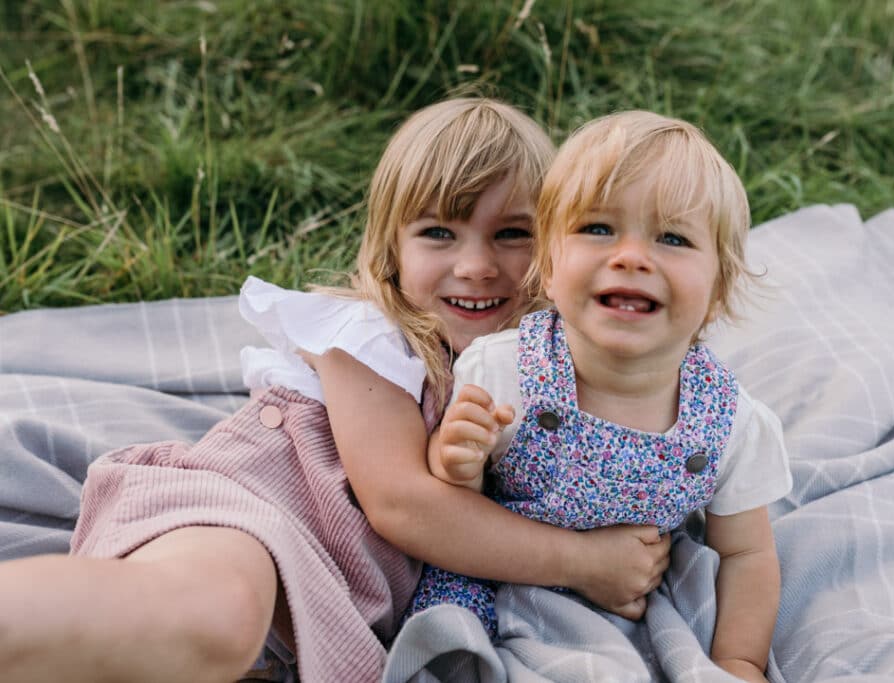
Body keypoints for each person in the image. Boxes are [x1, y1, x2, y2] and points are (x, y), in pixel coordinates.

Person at [0, 99, 671, 683]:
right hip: (245, 515)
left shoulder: (537, 365)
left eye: (513, 233)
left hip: (309, 615)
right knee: (213, 615)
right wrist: (585, 562)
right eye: (438, 231)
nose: (475, 264)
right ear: (390, 250)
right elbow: (403, 505)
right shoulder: (372, 336)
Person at [407, 110, 793, 683]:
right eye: (598, 229)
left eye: (672, 238)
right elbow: (459, 508)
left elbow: (746, 555)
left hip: (628, 606)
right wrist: (456, 461)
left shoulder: (730, 422)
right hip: (491, 583)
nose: (632, 257)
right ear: (549, 266)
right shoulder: (503, 368)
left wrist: (739, 661)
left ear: (717, 292)